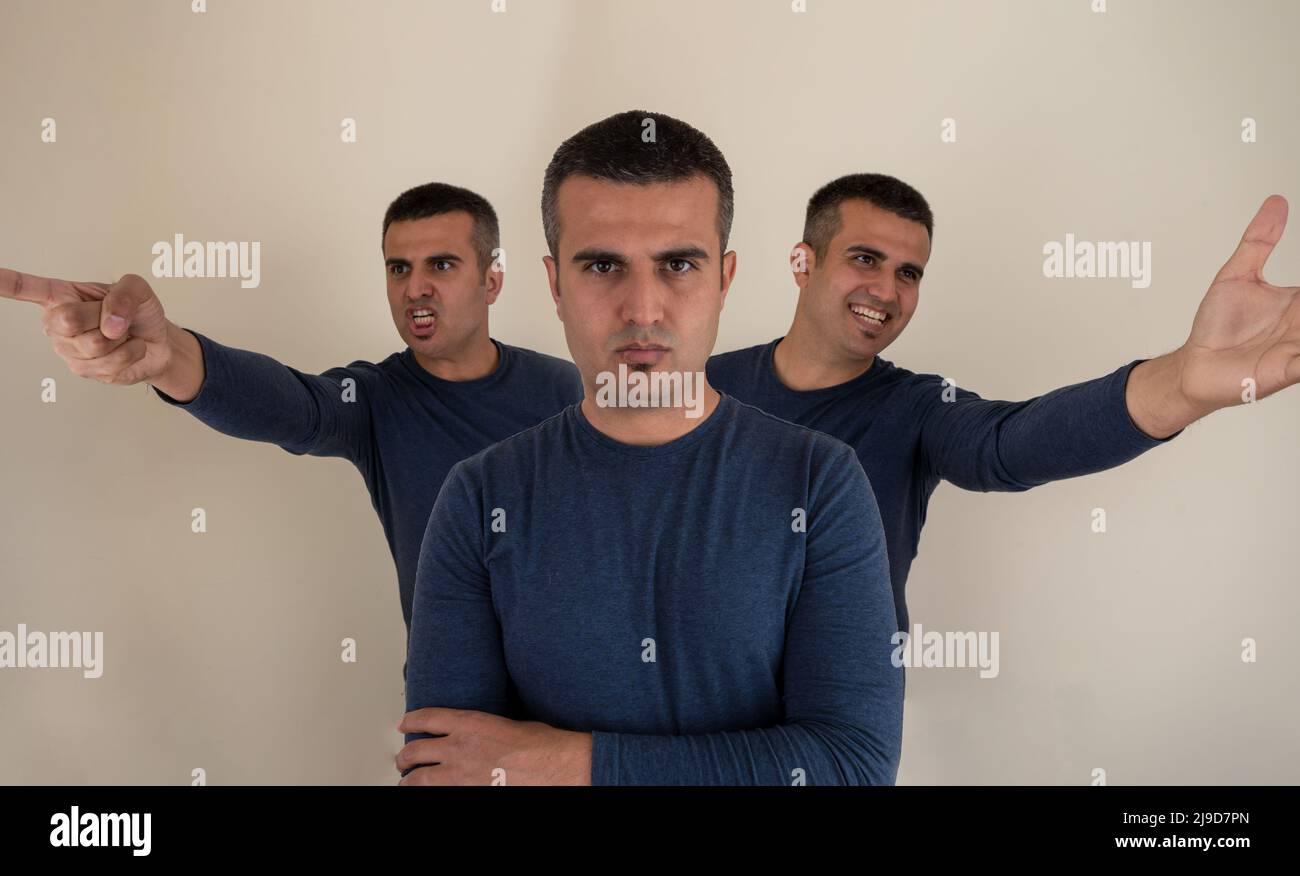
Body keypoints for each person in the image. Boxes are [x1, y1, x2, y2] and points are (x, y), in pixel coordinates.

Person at [397, 111, 903, 786]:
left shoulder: (819, 482)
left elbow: (852, 767)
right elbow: (446, 769)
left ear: (723, 279)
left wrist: (565, 762)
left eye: (678, 265)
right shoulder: (479, 496)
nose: (643, 308)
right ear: (554, 285)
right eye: (603, 265)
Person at [708, 173, 1300, 631]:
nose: (887, 291)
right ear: (803, 262)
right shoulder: (705, 385)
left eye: (909, 273)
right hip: (695, 701)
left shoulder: (918, 406)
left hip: (839, 722)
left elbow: (1007, 444)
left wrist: (1183, 382)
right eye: (864, 259)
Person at [0, 182, 584, 632]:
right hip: (453, 717)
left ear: (492, 280)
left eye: (442, 264)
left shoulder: (566, 390)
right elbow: (291, 404)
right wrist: (168, 353)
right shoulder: (375, 399)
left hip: (578, 706)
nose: (415, 287)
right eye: (398, 268)